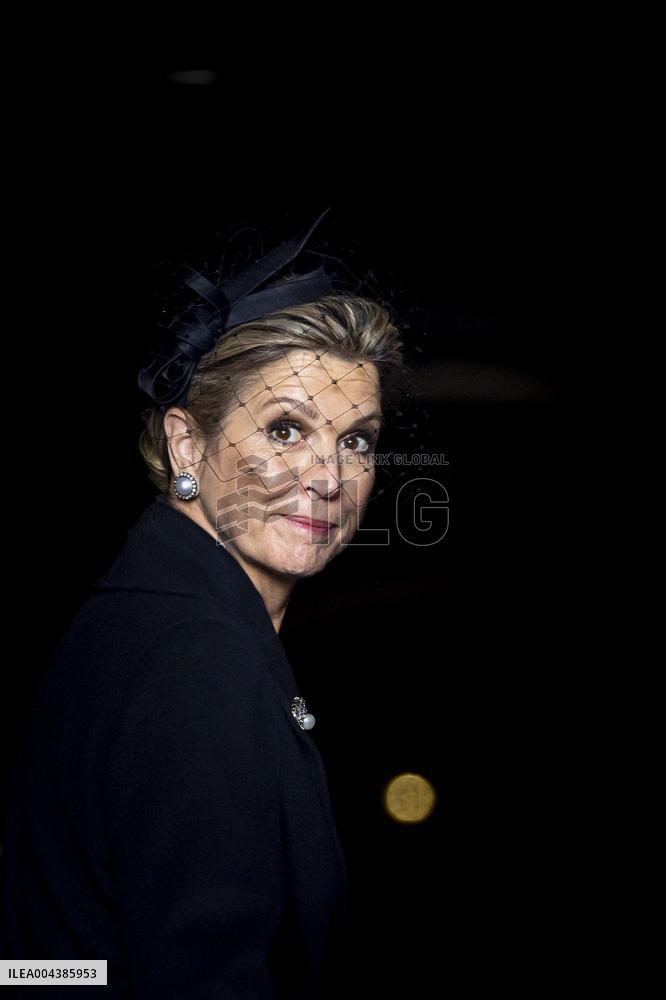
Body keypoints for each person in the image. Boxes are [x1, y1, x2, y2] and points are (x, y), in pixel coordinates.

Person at [0, 211, 406, 997]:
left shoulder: (160, 612)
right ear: (188, 444)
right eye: (287, 429)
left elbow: (51, 965)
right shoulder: (194, 658)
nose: (327, 476)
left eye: (357, 440)